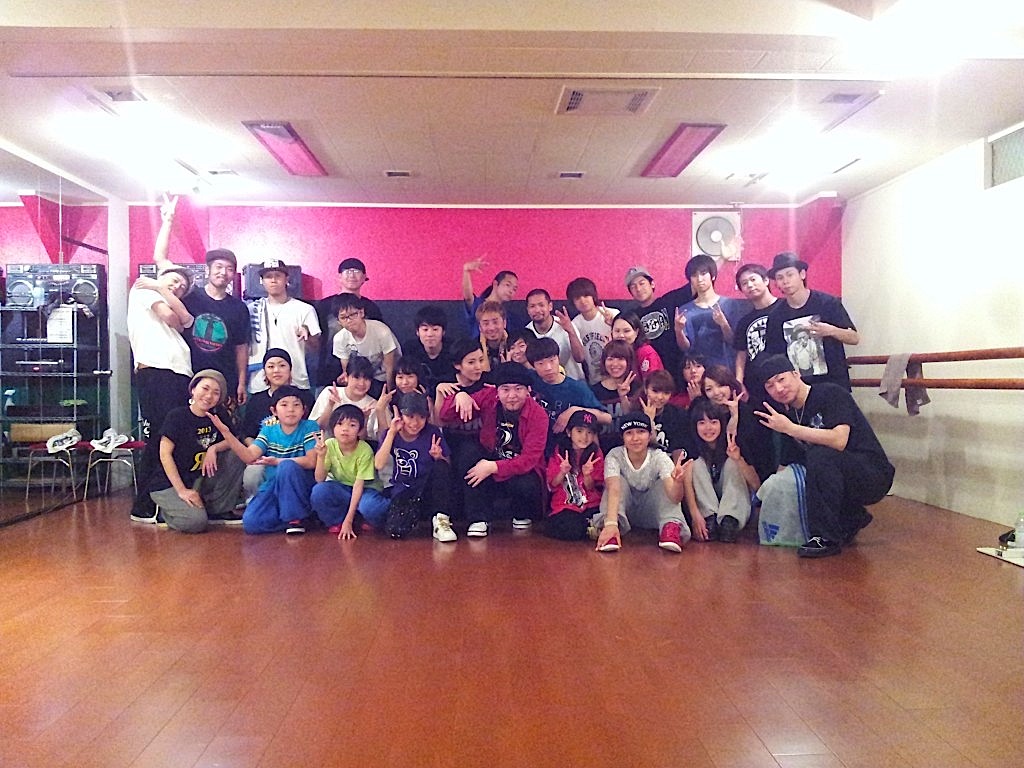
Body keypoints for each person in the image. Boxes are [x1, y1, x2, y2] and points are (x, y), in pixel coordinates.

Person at [754, 354, 895, 558]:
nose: (778, 388)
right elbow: (785, 464)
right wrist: (767, 496)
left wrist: (791, 429)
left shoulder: (830, 393)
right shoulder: (788, 415)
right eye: (770, 386)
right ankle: (852, 517)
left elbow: (839, 440)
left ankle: (825, 538)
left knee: (820, 454)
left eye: (781, 379)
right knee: (806, 466)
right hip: (842, 476)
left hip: (873, 474)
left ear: (796, 374)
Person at [127, 197, 196, 523]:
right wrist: (160, 284)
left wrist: (168, 220)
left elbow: (185, 320)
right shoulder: (145, 290)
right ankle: (144, 505)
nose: (177, 286)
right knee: (160, 437)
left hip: (178, 376)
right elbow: (174, 318)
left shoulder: (158, 288)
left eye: (182, 286)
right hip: (157, 374)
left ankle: (157, 501)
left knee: (172, 437)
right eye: (173, 281)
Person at [154, 196, 251, 409]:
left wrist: (242, 382)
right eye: (218, 267)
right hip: (187, 376)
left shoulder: (239, 308)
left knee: (223, 426)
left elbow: (241, 348)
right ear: (207, 270)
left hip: (224, 382)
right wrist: (167, 222)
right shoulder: (188, 295)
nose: (223, 272)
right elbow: (161, 259)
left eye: (229, 269)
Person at [438, 362, 547, 536]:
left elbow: (529, 460)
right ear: (497, 390)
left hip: (518, 473)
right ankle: (478, 519)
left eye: (518, 389)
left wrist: (493, 467)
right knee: (467, 453)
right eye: (505, 389)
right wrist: (460, 396)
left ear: (528, 390)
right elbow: (445, 416)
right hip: (490, 462)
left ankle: (521, 514)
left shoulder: (538, 415)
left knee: (527, 482)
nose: (512, 396)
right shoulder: (489, 397)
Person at [143, 369, 246, 532]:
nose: (209, 396)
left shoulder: (218, 416)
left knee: (236, 454)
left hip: (198, 479)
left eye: (216, 393)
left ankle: (218, 510)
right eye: (205, 388)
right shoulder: (177, 416)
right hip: (169, 483)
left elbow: (233, 440)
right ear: (193, 389)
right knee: (196, 523)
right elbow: (164, 453)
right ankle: (165, 513)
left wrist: (214, 448)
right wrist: (182, 491)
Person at [211, 385, 321, 535]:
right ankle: (302, 517)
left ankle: (295, 519)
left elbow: (311, 461)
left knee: (287, 466)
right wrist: (227, 434)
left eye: (296, 405)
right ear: (274, 411)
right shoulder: (268, 430)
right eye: (284, 405)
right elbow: (249, 456)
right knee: (251, 523)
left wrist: (277, 462)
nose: (290, 409)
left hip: (301, 485)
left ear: (303, 410)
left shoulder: (309, 427)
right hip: (275, 485)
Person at [593, 415, 692, 554]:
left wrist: (678, 483)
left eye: (641, 432)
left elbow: (674, 498)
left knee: (662, 484)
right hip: (623, 512)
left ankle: (670, 528)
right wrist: (611, 524)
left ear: (650, 435)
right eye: (629, 433)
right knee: (617, 482)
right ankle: (611, 530)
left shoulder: (659, 457)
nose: (635, 438)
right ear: (622, 437)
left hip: (650, 512)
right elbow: (614, 489)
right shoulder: (614, 455)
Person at [763, 252, 859, 390]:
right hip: (797, 387)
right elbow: (774, 354)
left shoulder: (827, 303)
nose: (785, 281)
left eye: (790, 275)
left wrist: (830, 330)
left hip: (834, 382)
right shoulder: (776, 316)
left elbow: (854, 338)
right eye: (780, 278)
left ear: (802, 274)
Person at [375, 391, 454, 541]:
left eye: (421, 417)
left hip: (427, 489)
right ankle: (416, 517)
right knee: (396, 531)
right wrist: (391, 433)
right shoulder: (391, 433)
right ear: (400, 415)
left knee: (440, 466)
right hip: (404, 490)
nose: (415, 423)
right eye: (410, 417)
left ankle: (441, 519)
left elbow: (447, 465)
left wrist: (439, 456)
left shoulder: (432, 432)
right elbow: (379, 464)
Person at [684, 398, 761, 544]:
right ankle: (710, 519)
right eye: (702, 423)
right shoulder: (692, 445)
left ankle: (729, 520)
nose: (708, 428)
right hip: (706, 505)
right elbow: (686, 483)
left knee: (732, 462)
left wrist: (739, 459)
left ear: (721, 424)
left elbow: (756, 485)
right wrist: (695, 516)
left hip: (736, 505)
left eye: (713, 422)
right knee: (696, 464)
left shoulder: (734, 441)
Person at [311, 403, 389, 539]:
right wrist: (321, 456)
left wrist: (349, 521)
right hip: (343, 488)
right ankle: (337, 521)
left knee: (370, 507)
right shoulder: (329, 445)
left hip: (366, 489)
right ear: (332, 427)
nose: (345, 429)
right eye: (340, 424)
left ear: (360, 430)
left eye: (352, 425)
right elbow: (319, 479)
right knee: (319, 491)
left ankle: (367, 517)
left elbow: (359, 486)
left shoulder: (365, 450)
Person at [247, 259, 320, 392]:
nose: (273, 280)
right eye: (268, 276)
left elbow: (315, 349)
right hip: (260, 383)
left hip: (295, 381)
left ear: (287, 279)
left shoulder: (305, 309)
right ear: (262, 281)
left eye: (278, 276)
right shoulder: (252, 310)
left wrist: (308, 336)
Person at [315, 257, 385, 387]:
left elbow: (379, 342)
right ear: (339, 277)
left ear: (364, 278)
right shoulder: (324, 306)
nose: (352, 275)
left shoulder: (371, 307)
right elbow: (317, 338)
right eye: (347, 271)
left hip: (363, 373)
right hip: (329, 369)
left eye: (356, 271)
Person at [673, 254, 750, 371]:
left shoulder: (730, 304)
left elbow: (735, 342)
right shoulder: (685, 310)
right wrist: (678, 331)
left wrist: (723, 324)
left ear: (712, 276)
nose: (699, 279)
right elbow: (686, 348)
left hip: (725, 371)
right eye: (694, 275)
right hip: (699, 373)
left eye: (703, 273)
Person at [700, 364, 775, 483]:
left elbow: (753, 450)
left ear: (730, 386)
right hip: (716, 472)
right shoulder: (704, 414)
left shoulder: (748, 412)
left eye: (721, 385)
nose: (716, 392)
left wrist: (734, 417)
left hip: (749, 472)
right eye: (709, 389)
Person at [526, 336, 611, 438]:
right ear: (533, 366)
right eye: (540, 364)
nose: (548, 368)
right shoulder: (530, 379)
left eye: (552, 360)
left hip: (567, 442)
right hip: (536, 439)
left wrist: (574, 410)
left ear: (558, 359)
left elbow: (607, 418)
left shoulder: (577, 388)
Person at [624, 265, 692, 391]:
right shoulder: (632, 316)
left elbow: (695, 283)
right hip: (650, 373)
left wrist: (722, 260)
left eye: (642, 283)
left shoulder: (669, 301)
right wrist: (611, 322)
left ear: (652, 284)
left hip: (677, 367)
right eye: (633, 286)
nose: (638, 289)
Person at [545, 410, 604, 541]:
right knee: (569, 526)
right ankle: (589, 529)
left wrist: (587, 475)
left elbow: (593, 488)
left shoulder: (596, 452)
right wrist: (562, 472)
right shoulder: (560, 450)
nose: (584, 437)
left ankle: (590, 527)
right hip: (566, 504)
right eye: (579, 431)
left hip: (590, 504)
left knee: (603, 517)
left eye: (590, 432)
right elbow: (552, 484)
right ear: (568, 432)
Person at [331, 293, 400, 398]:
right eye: (343, 317)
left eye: (353, 315)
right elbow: (347, 370)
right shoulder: (339, 339)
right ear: (338, 321)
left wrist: (389, 394)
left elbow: (390, 367)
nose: (349, 320)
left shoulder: (381, 331)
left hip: (383, 377)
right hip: (362, 377)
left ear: (362, 312)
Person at [732, 263, 778, 405]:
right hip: (757, 386)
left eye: (753, 279)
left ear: (766, 280)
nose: (750, 285)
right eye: (744, 283)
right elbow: (741, 356)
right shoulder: (744, 322)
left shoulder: (786, 307)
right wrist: (739, 383)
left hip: (784, 381)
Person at [566, 276, 619, 384]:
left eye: (586, 295)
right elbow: (578, 357)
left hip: (617, 375)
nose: (582, 301)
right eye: (577, 298)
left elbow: (627, 344)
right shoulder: (575, 324)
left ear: (593, 296)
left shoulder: (613, 314)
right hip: (595, 380)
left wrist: (613, 324)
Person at [524, 288, 586, 380]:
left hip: (574, 381)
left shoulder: (565, 324)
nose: (537, 310)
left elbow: (580, 358)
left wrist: (571, 332)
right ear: (528, 310)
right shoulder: (527, 332)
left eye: (541, 305)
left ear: (550, 306)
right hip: (546, 384)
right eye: (532, 306)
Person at [310, 355, 380, 435]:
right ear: (346, 377)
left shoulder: (373, 405)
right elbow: (316, 429)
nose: (361, 383)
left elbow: (367, 439)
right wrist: (330, 405)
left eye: (366, 379)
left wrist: (366, 418)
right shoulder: (329, 392)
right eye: (356, 377)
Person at [636, 370, 691, 462]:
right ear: (646, 389)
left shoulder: (678, 415)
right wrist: (649, 420)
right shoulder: (636, 414)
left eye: (666, 393)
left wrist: (675, 468)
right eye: (655, 391)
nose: (660, 397)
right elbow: (645, 446)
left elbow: (679, 448)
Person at [400, 304, 453, 398]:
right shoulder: (410, 349)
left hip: (448, 395)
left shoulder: (453, 349)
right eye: (425, 329)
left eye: (435, 329)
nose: (430, 334)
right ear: (417, 332)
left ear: (443, 332)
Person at [461, 259, 525, 335]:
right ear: (495, 284)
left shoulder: (508, 316)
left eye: (514, 289)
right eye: (508, 285)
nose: (511, 291)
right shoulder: (478, 304)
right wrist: (466, 271)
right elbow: (468, 297)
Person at [611, 311, 663, 381]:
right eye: (617, 331)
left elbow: (653, 384)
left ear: (636, 332)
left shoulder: (646, 353)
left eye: (626, 331)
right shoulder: (612, 351)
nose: (621, 335)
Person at [475, 299, 509, 371]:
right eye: (486, 324)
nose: (491, 328)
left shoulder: (515, 344)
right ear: (480, 327)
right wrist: (484, 347)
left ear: (504, 323)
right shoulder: (473, 348)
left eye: (495, 322)